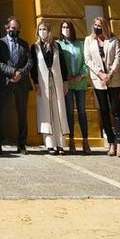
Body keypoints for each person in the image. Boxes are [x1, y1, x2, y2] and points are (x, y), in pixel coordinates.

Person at [85, 16, 120, 156]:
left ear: (105, 26)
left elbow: (117, 59)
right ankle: (111, 143)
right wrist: (101, 74)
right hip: (98, 80)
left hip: (113, 80)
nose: (96, 27)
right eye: (95, 25)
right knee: (104, 111)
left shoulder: (113, 40)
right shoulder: (88, 40)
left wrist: (110, 75)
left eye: (99, 25)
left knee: (115, 110)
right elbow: (88, 59)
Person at [0, 16, 32, 155]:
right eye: (12, 28)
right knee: (2, 113)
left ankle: (22, 144)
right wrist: (12, 72)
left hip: (22, 83)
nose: (14, 30)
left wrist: (20, 73)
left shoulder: (24, 43)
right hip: (6, 82)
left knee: (22, 114)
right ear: (6, 28)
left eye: (17, 28)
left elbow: (29, 62)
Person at [32, 19, 69, 154]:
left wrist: (65, 82)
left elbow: (63, 66)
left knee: (58, 110)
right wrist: (36, 83)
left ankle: (60, 143)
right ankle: (49, 143)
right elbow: (33, 68)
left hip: (57, 81)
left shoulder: (56, 46)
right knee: (46, 111)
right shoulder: (34, 47)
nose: (42, 32)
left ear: (49, 31)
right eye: (40, 30)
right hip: (42, 84)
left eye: (45, 30)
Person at [58, 20, 90, 153]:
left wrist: (81, 75)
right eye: (63, 27)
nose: (66, 29)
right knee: (69, 112)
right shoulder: (58, 44)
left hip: (80, 83)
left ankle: (85, 141)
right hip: (67, 84)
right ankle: (71, 140)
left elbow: (87, 62)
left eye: (68, 27)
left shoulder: (80, 45)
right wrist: (67, 78)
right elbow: (58, 63)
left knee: (82, 111)